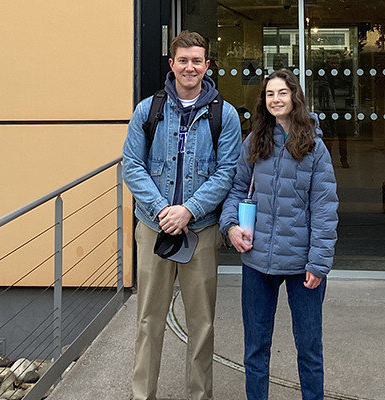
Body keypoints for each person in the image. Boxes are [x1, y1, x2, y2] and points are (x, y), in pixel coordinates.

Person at [122, 30, 242, 400]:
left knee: (202, 323)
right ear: (172, 64)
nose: (190, 67)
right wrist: (162, 210)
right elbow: (131, 164)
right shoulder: (148, 110)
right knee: (148, 320)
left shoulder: (225, 114)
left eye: (197, 61)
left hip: (201, 231)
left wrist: (189, 209)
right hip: (152, 227)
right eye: (183, 61)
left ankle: (200, 395)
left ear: (207, 66)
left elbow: (227, 172)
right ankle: (143, 394)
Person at [219, 69, 338, 400]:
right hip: (257, 261)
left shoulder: (314, 147)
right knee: (256, 347)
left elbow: (325, 209)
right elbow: (236, 189)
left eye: (281, 93)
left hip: (303, 264)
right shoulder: (255, 140)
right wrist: (231, 227)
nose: (275, 99)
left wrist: (319, 262)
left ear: (294, 97)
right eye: (270, 94)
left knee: (309, 348)